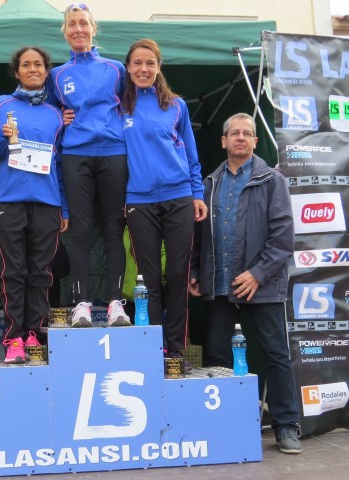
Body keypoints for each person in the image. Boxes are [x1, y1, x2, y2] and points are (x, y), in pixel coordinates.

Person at [188, 113, 302, 454]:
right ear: (223, 142)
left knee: (275, 356)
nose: (240, 137)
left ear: (255, 141)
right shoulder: (208, 184)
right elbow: (198, 236)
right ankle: (221, 425)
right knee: (217, 357)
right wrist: (196, 271)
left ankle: (286, 426)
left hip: (262, 287)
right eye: (234, 133)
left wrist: (258, 274)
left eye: (247, 133)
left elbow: (283, 237)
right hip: (220, 287)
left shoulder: (272, 181)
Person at [122, 39, 207, 367]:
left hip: (178, 199)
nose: (143, 69)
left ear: (159, 68)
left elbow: (191, 154)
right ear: (128, 69)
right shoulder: (119, 107)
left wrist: (197, 193)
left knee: (176, 276)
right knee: (148, 278)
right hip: (138, 203)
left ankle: (175, 351)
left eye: (150, 63)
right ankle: (152, 349)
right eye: (137, 63)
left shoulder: (176, 106)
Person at [0, 46, 69, 363]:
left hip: (47, 201)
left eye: (39, 65)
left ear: (47, 71)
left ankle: (34, 334)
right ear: (16, 71)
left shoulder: (57, 113)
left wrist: (65, 208)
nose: (33, 69)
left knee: (41, 273)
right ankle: (14, 338)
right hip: (8, 198)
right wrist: (5, 140)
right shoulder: (0, 103)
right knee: (14, 271)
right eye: (26, 65)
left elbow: (59, 162)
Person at [46, 3, 130, 327]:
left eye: (83, 23)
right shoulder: (57, 75)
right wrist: (61, 118)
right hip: (76, 153)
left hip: (113, 151)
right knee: (81, 230)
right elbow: (51, 119)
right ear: (65, 32)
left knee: (113, 228)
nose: (78, 29)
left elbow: (129, 108)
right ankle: (80, 303)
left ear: (94, 29)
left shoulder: (116, 69)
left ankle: (115, 305)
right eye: (72, 25)